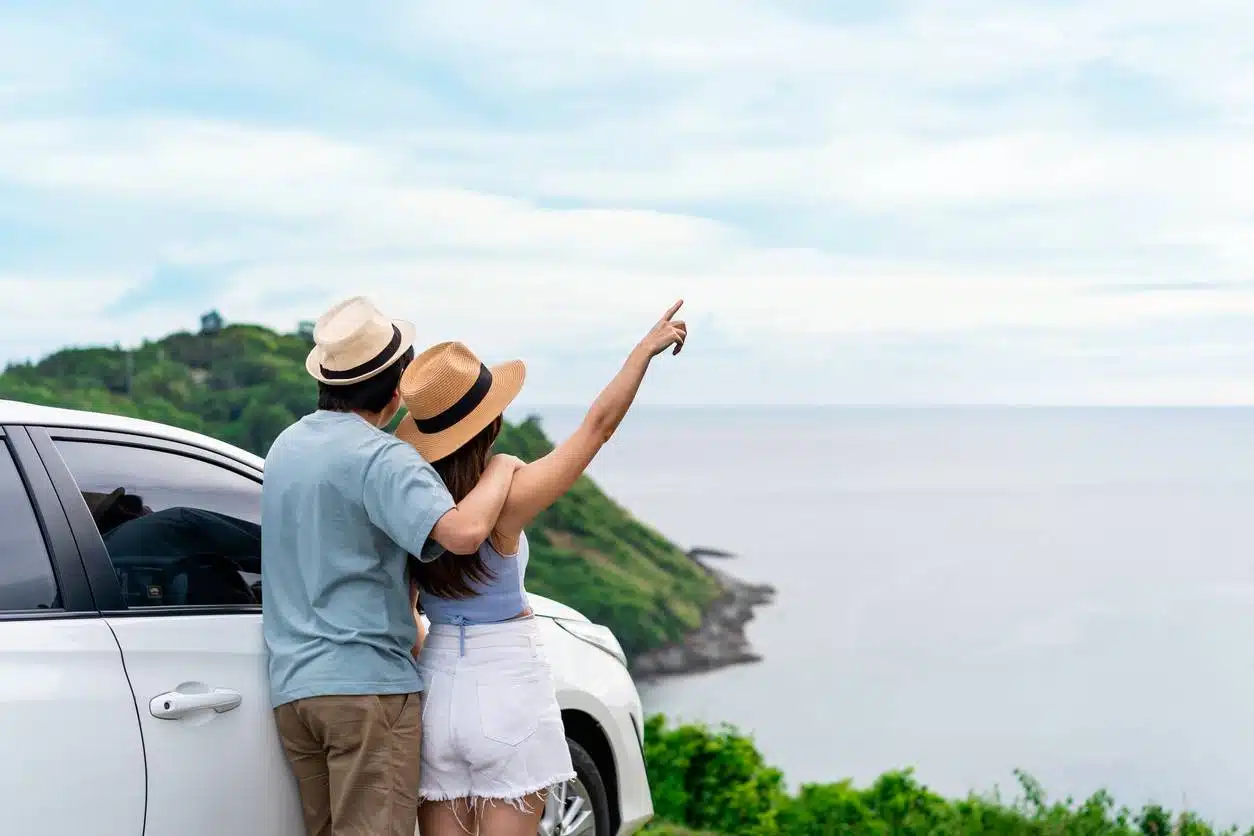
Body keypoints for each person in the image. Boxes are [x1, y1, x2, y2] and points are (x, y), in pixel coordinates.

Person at [394, 299, 688, 836]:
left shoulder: (406, 506)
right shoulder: (509, 498)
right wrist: (643, 352)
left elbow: (407, 615)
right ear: (492, 421)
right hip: (507, 682)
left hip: (436, 689)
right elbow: (596, 428)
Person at [261, 296, 523, 836]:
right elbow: (463, 534)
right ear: (399, 387)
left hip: (294, 692)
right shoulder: (380, 458)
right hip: (366, 691)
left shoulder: (286, 447)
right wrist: (501, 469)